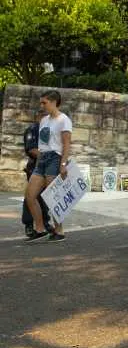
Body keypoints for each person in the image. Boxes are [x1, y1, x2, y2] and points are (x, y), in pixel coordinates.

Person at [25, 90, 72, 243]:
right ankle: (40, 229)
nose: (42, 105)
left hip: (55, 158)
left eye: (44, 102)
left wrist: (63, 164)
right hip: (43, 158)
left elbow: (66, 144)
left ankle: (59, 230)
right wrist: (39, 161)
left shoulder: (63, 120)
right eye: (41, 102)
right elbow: (42, 143)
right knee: (30, 196)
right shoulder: (44, 120)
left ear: (53, 102)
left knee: (53, 197)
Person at [21, 113, 51, 237]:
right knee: (31, 196)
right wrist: (47, 158)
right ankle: (29, 224)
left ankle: (45, 223)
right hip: (35, 167)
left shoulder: (50, 130)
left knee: (46, 196)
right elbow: (31, 149)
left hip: (48, 167)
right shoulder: (33, 129)